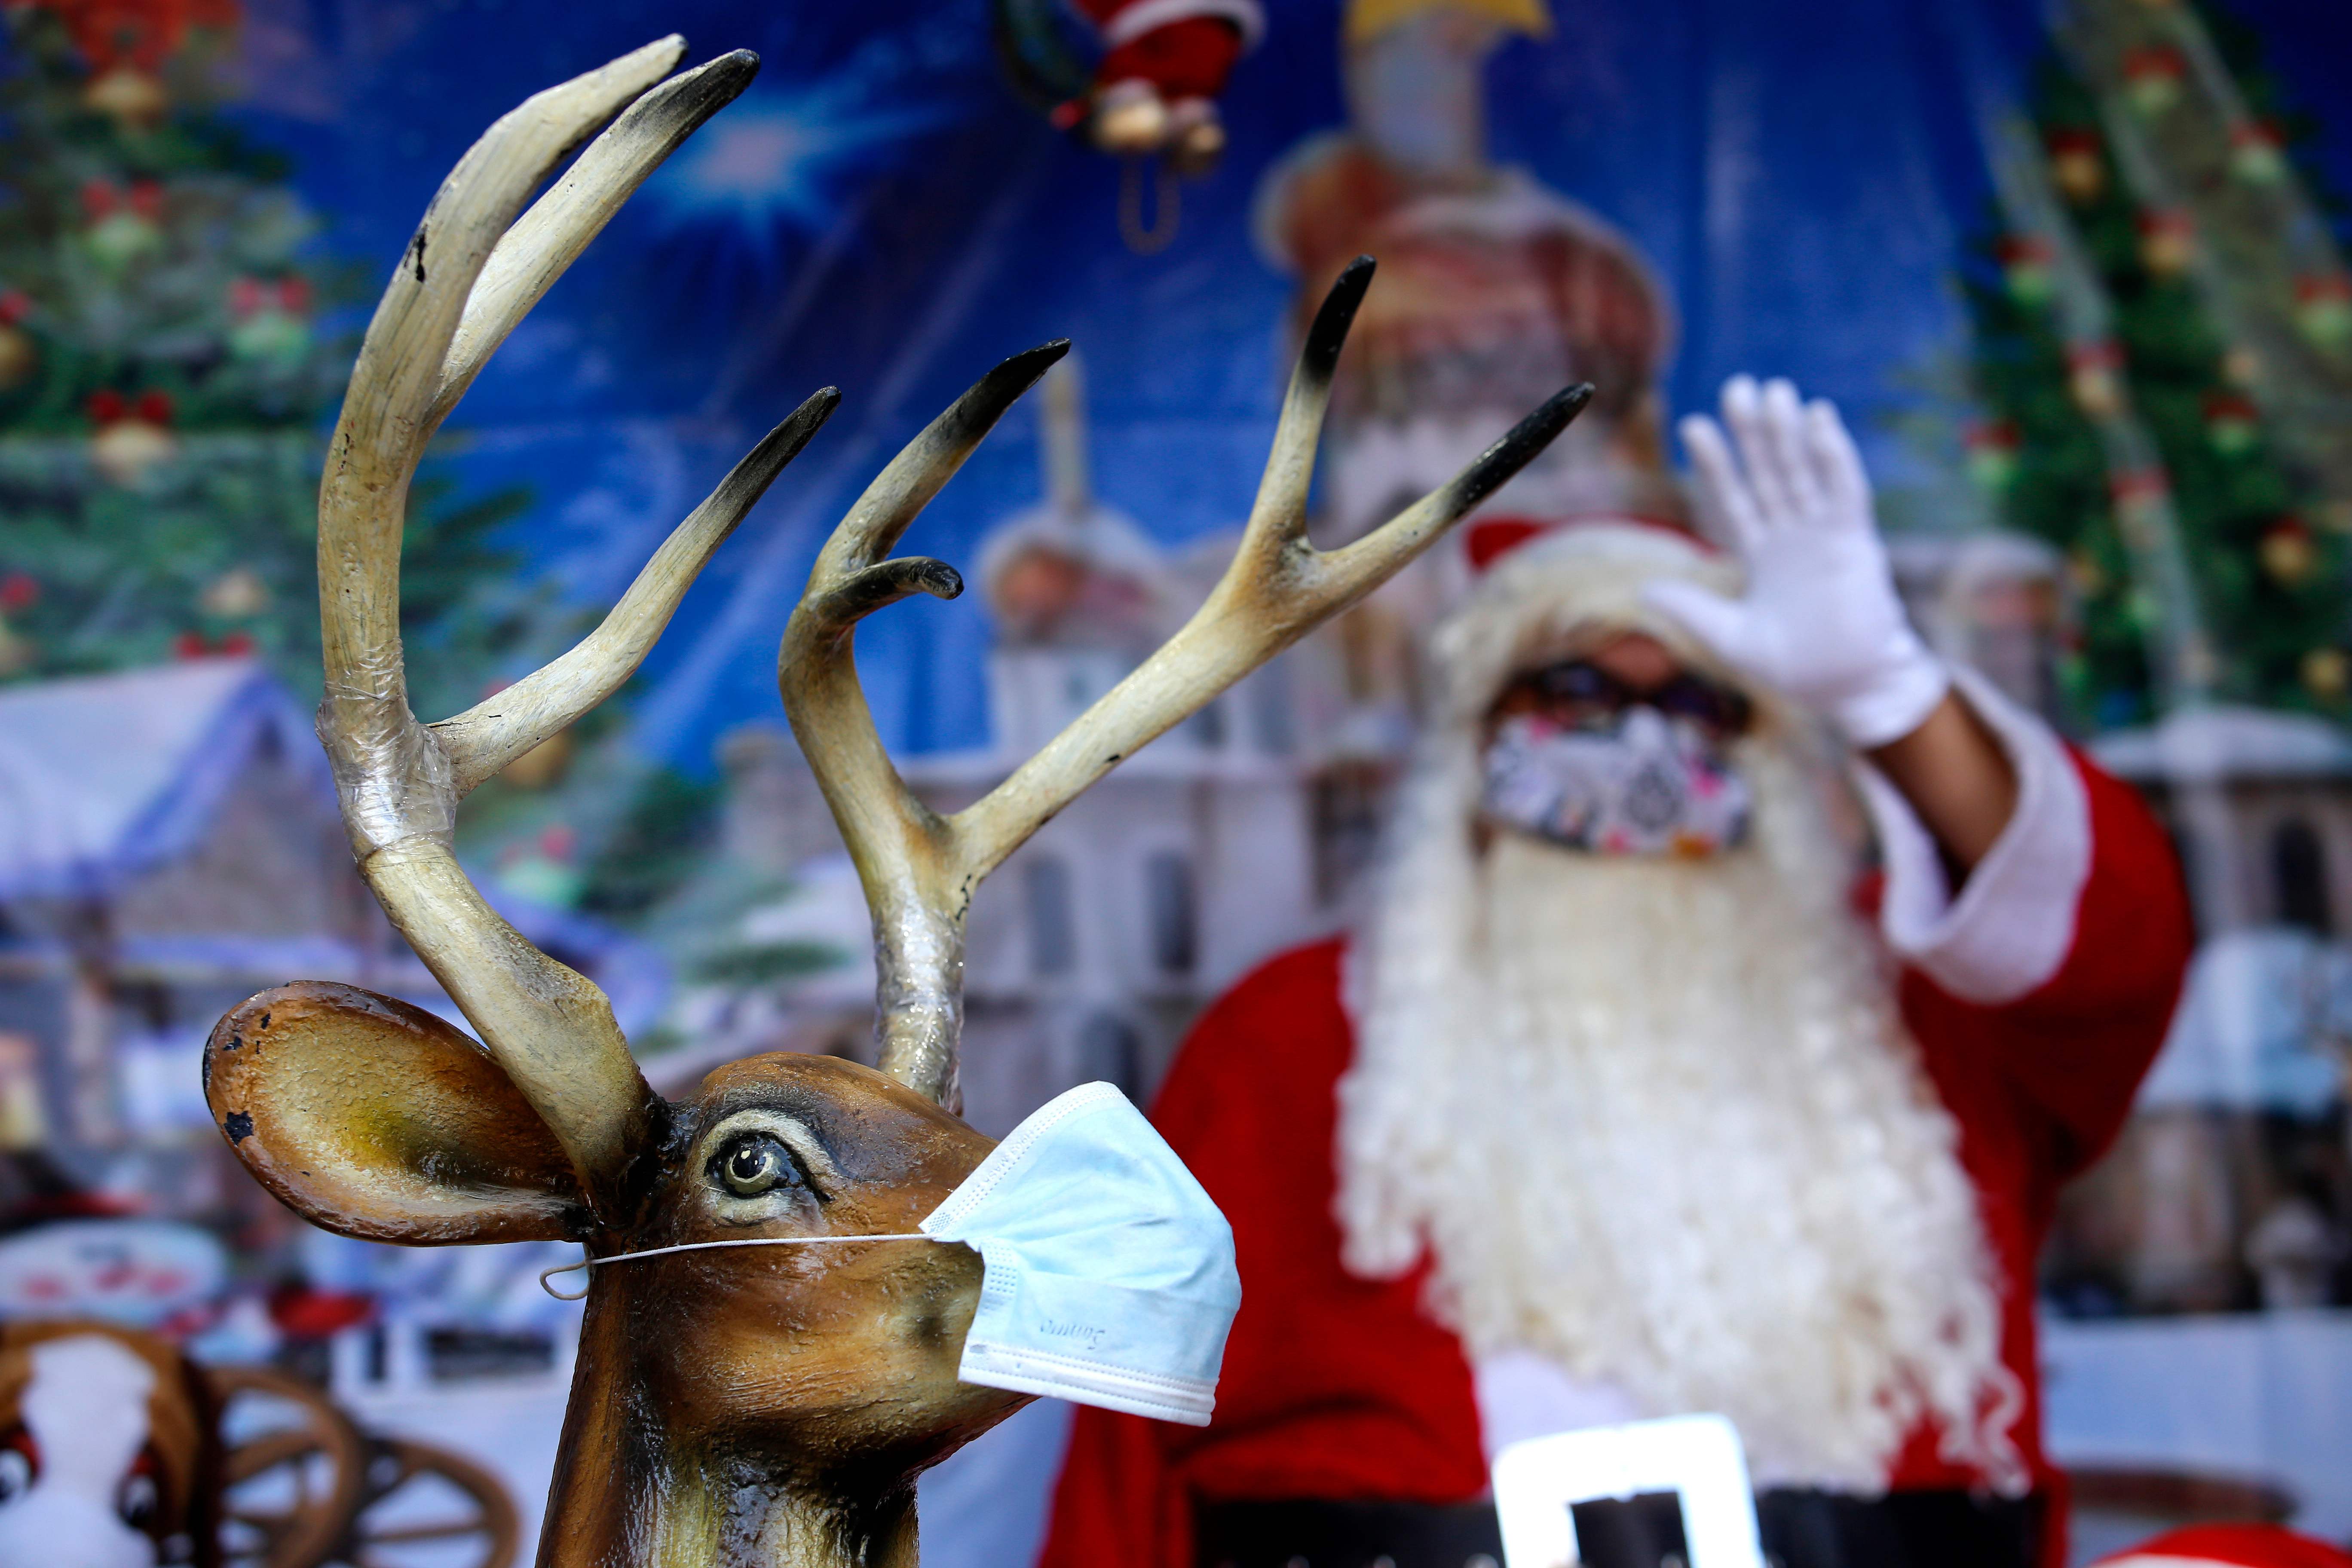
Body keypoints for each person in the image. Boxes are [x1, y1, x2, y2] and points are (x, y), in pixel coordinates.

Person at [1036, 376, 2194, 1568]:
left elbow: (2110, 946)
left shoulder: (1914, 1015)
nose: (1642, 742)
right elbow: (1125, 1469)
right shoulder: (1286, 1041)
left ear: (1764, 752)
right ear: (1478, 739)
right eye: (1578, 689)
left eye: (1699, 701)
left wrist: (1888, 695)